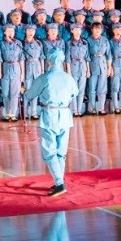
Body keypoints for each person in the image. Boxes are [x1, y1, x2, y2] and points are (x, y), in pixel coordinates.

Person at [21, 48, 79, 197]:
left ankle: (59, 183)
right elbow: (75, 93)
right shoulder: (69, 78)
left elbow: (29, 95)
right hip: (65, 116)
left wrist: (24, 90)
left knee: (49, 152)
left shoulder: (44, 78)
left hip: (50, 116)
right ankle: (59, 181)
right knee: (61, 152)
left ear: (49, 61)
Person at [0, 23, 24, 121]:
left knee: (15, 93)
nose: (10, 33)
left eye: (12, 31)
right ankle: (7, 112)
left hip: (16, 68)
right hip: (5, 67)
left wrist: (22, 73)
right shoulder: (1, 43)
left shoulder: (18, 43)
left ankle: (12, 113)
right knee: (5, 92)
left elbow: (21, 59)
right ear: (4, 32)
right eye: (8, 31)